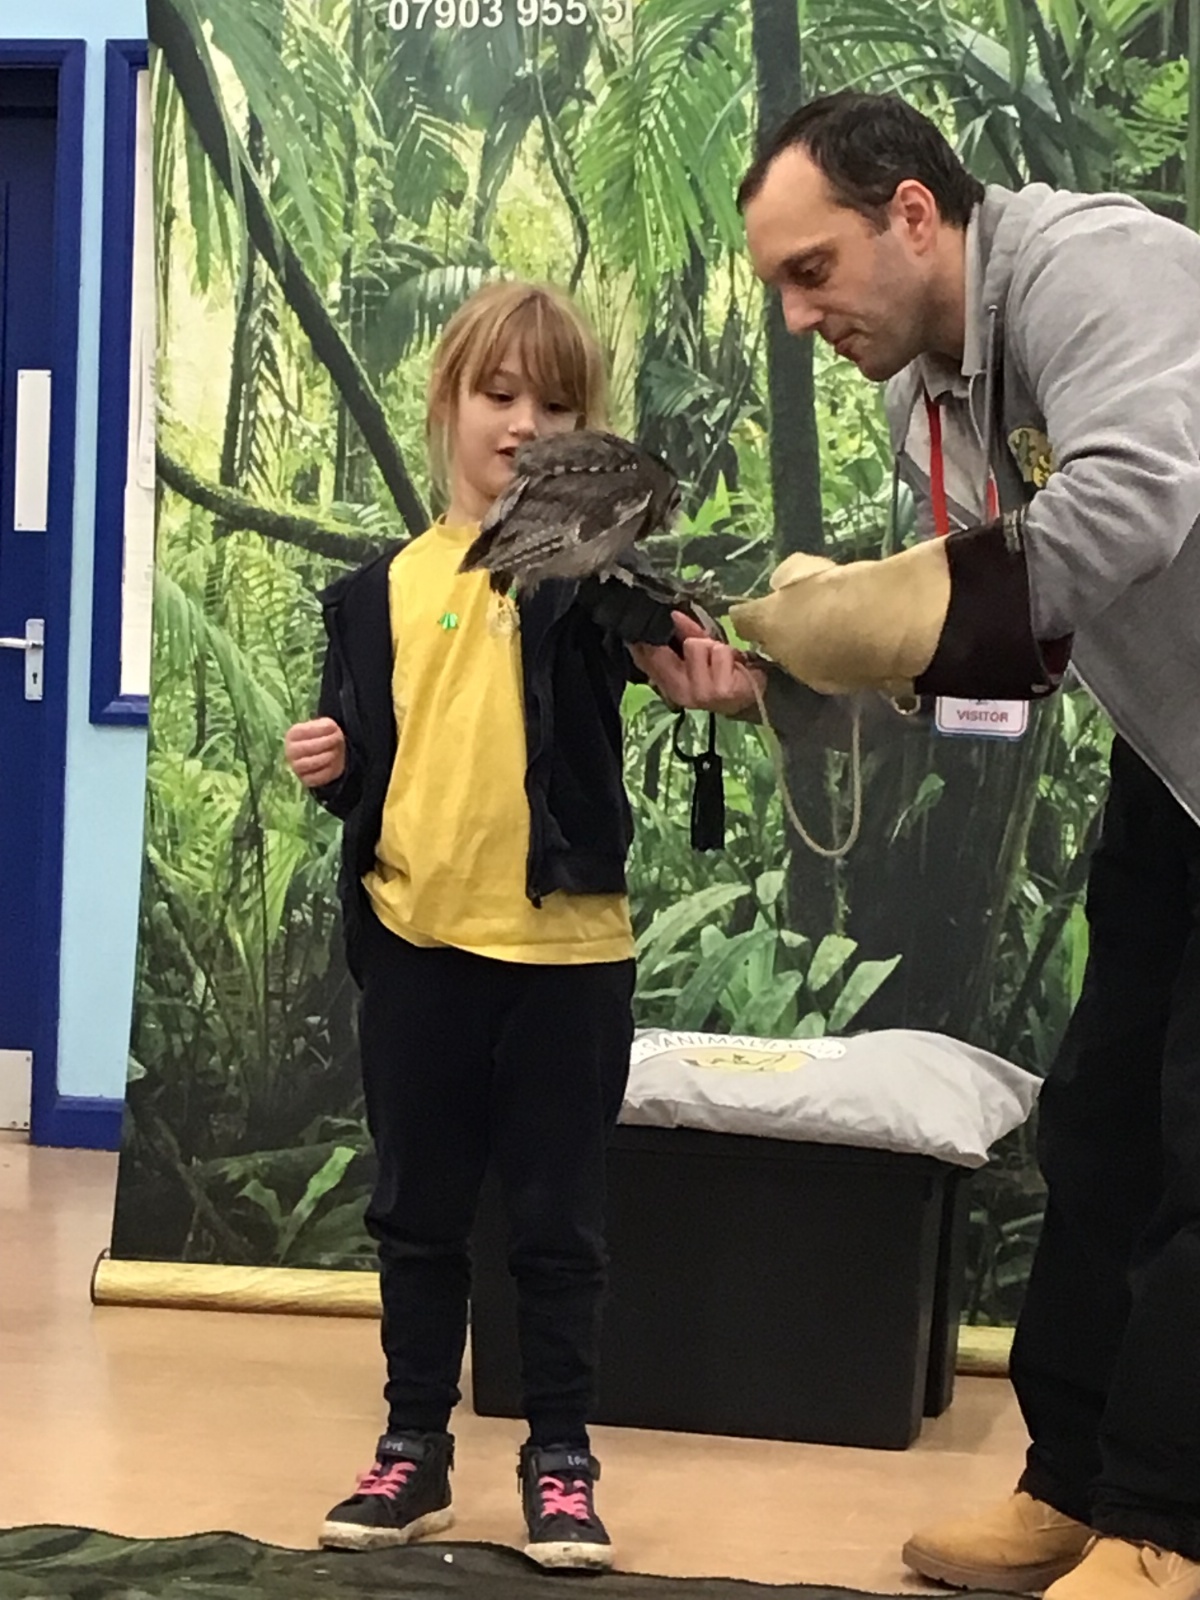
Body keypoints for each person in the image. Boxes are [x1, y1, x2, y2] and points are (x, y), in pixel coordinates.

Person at [714, 90, 1200, 1600]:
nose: (799, 319)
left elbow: (1136, 496)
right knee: (1102, 1118)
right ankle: (1076, 1487)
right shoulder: (928, 400)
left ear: (913, 215)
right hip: (1176, 767)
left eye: (812, 272)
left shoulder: (1090, 269)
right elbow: (1007, 650)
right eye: (780, 287)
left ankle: (1171, 1528)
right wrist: (788, 675)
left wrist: (898, 606)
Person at [283, 280, 751, 1571]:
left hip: (566, 963)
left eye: (556, 403)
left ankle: (561, 1461)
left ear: (587, 433)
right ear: (449, 404)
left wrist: (711, 669)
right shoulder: (372, 594)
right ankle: (412, 1450)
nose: (524, 423)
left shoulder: (591, 586)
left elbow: (670, 645)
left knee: (558, 1226)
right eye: (499, 394)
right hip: (416, 953)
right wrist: (334, 766)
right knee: (415, 1216)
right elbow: (375, 771)